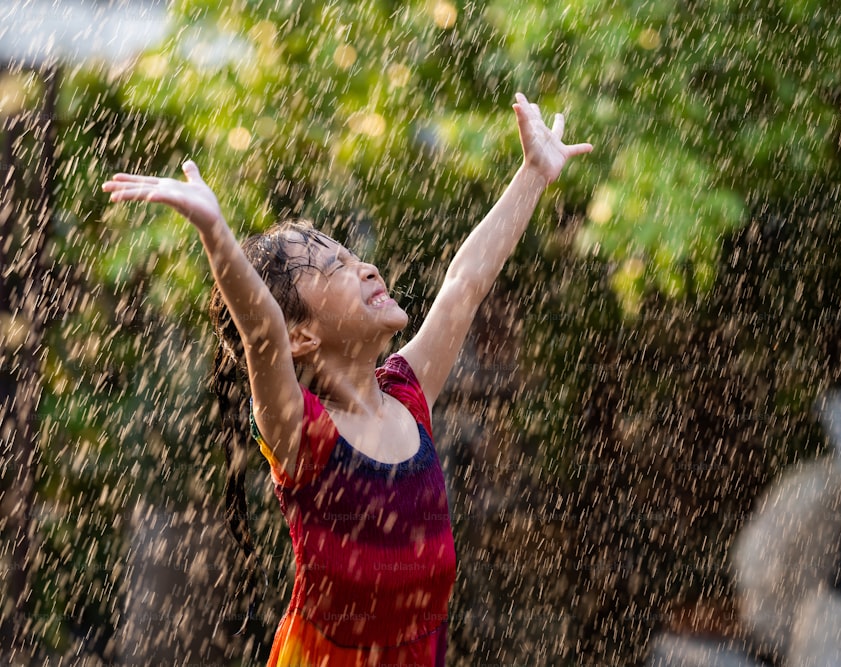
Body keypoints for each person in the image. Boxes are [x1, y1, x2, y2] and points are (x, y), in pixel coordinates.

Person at [102, 92, 591, 666]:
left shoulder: (409, 397)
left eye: (349, 254)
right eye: (335, 268)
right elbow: (262, 331)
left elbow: (465, 283)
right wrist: (216, 234)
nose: (364, 265)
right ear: (303, 336)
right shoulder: (303, 435)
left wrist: (533, 175)